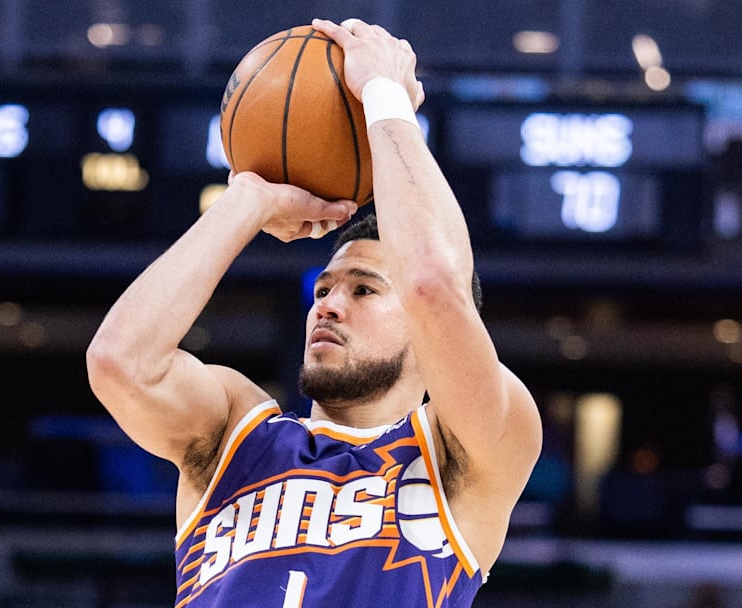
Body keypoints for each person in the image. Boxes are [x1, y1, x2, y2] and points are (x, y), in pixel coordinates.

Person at [87, 17, 542, 607]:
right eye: (323, 289)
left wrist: (384, 95)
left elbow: (433, 282)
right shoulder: (235, 433)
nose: (328, 305)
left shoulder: (465, 452)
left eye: (364, 290)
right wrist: (248, 199)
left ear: (426, 332)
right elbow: (118, 361)